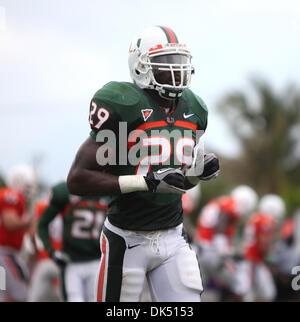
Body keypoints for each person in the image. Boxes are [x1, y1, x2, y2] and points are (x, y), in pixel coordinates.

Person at [67, 25, 220, 302]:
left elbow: (173, 183)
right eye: (165, 63)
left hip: (173, 237)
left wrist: (197, 175)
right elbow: (78, 179)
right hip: (127, 238)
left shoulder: (194, 108)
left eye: (179, 62)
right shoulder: (124, 104)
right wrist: (144, 182)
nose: (176, 71)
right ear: (140, 66)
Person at [38, 181, 108, 302]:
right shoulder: (67, 193)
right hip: (72, 262)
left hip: (98, 261)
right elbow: (42, 225)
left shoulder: (108, 192)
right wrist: (51, 251)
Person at [193, 185, 258, 301]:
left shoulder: (219, 202)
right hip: (211, 252)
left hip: (199, 250)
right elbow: (220, 228)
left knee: (196, 291)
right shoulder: (232, 206)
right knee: (241, 284)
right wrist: (226, 250)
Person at [0, 164, 37, 302]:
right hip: (5, 253)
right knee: (22, 292)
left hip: (4, 254)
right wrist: (30, 221)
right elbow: (10, 223)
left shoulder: (10, 196)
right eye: (27, 185)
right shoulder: (11, 195)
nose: (29, 189)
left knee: (4, 294)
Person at [27, 199, 63, 302]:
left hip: (45, 258)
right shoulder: (69, 206)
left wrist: (35, 251)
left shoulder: (41, 206)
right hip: (62, 260)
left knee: (33, 298)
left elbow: (32, 233)